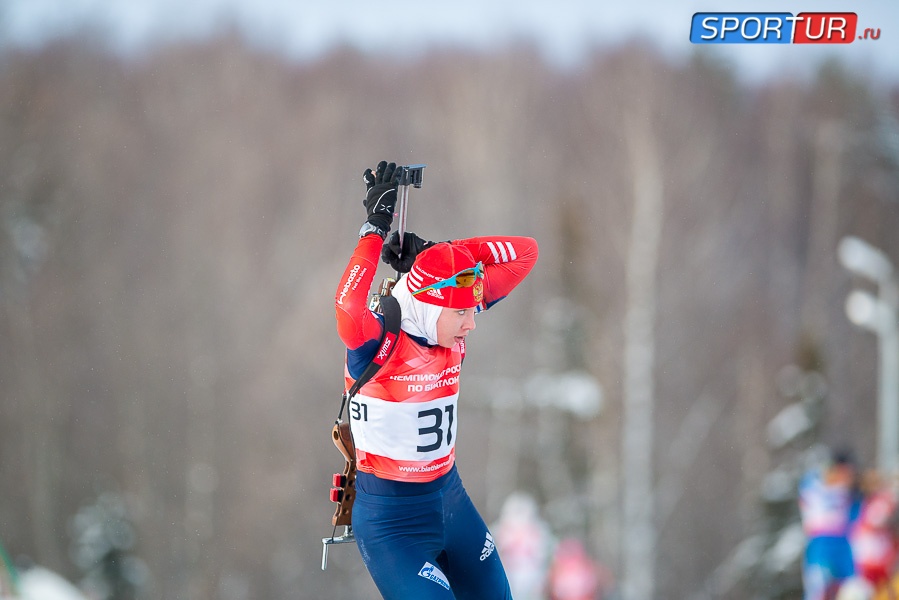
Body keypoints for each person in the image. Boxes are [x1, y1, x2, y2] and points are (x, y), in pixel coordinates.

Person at [334, 160, 539, 599]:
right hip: (393, 526)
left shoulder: (446, 313)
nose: (472, 323)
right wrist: (374, 229)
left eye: (472, 308)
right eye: (462, 312)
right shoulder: (378, 335)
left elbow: (526, 252)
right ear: (430, 304)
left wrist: (436, 253)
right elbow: (348, 307)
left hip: (451, 503)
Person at [799, 449, 863, 600]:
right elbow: (813, 484)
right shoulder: (814, 482)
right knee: (818, 589)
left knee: (853, 589)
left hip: (844, 543)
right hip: (820, 543)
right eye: (844, 472)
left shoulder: (850, 492)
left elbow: (857, 516)